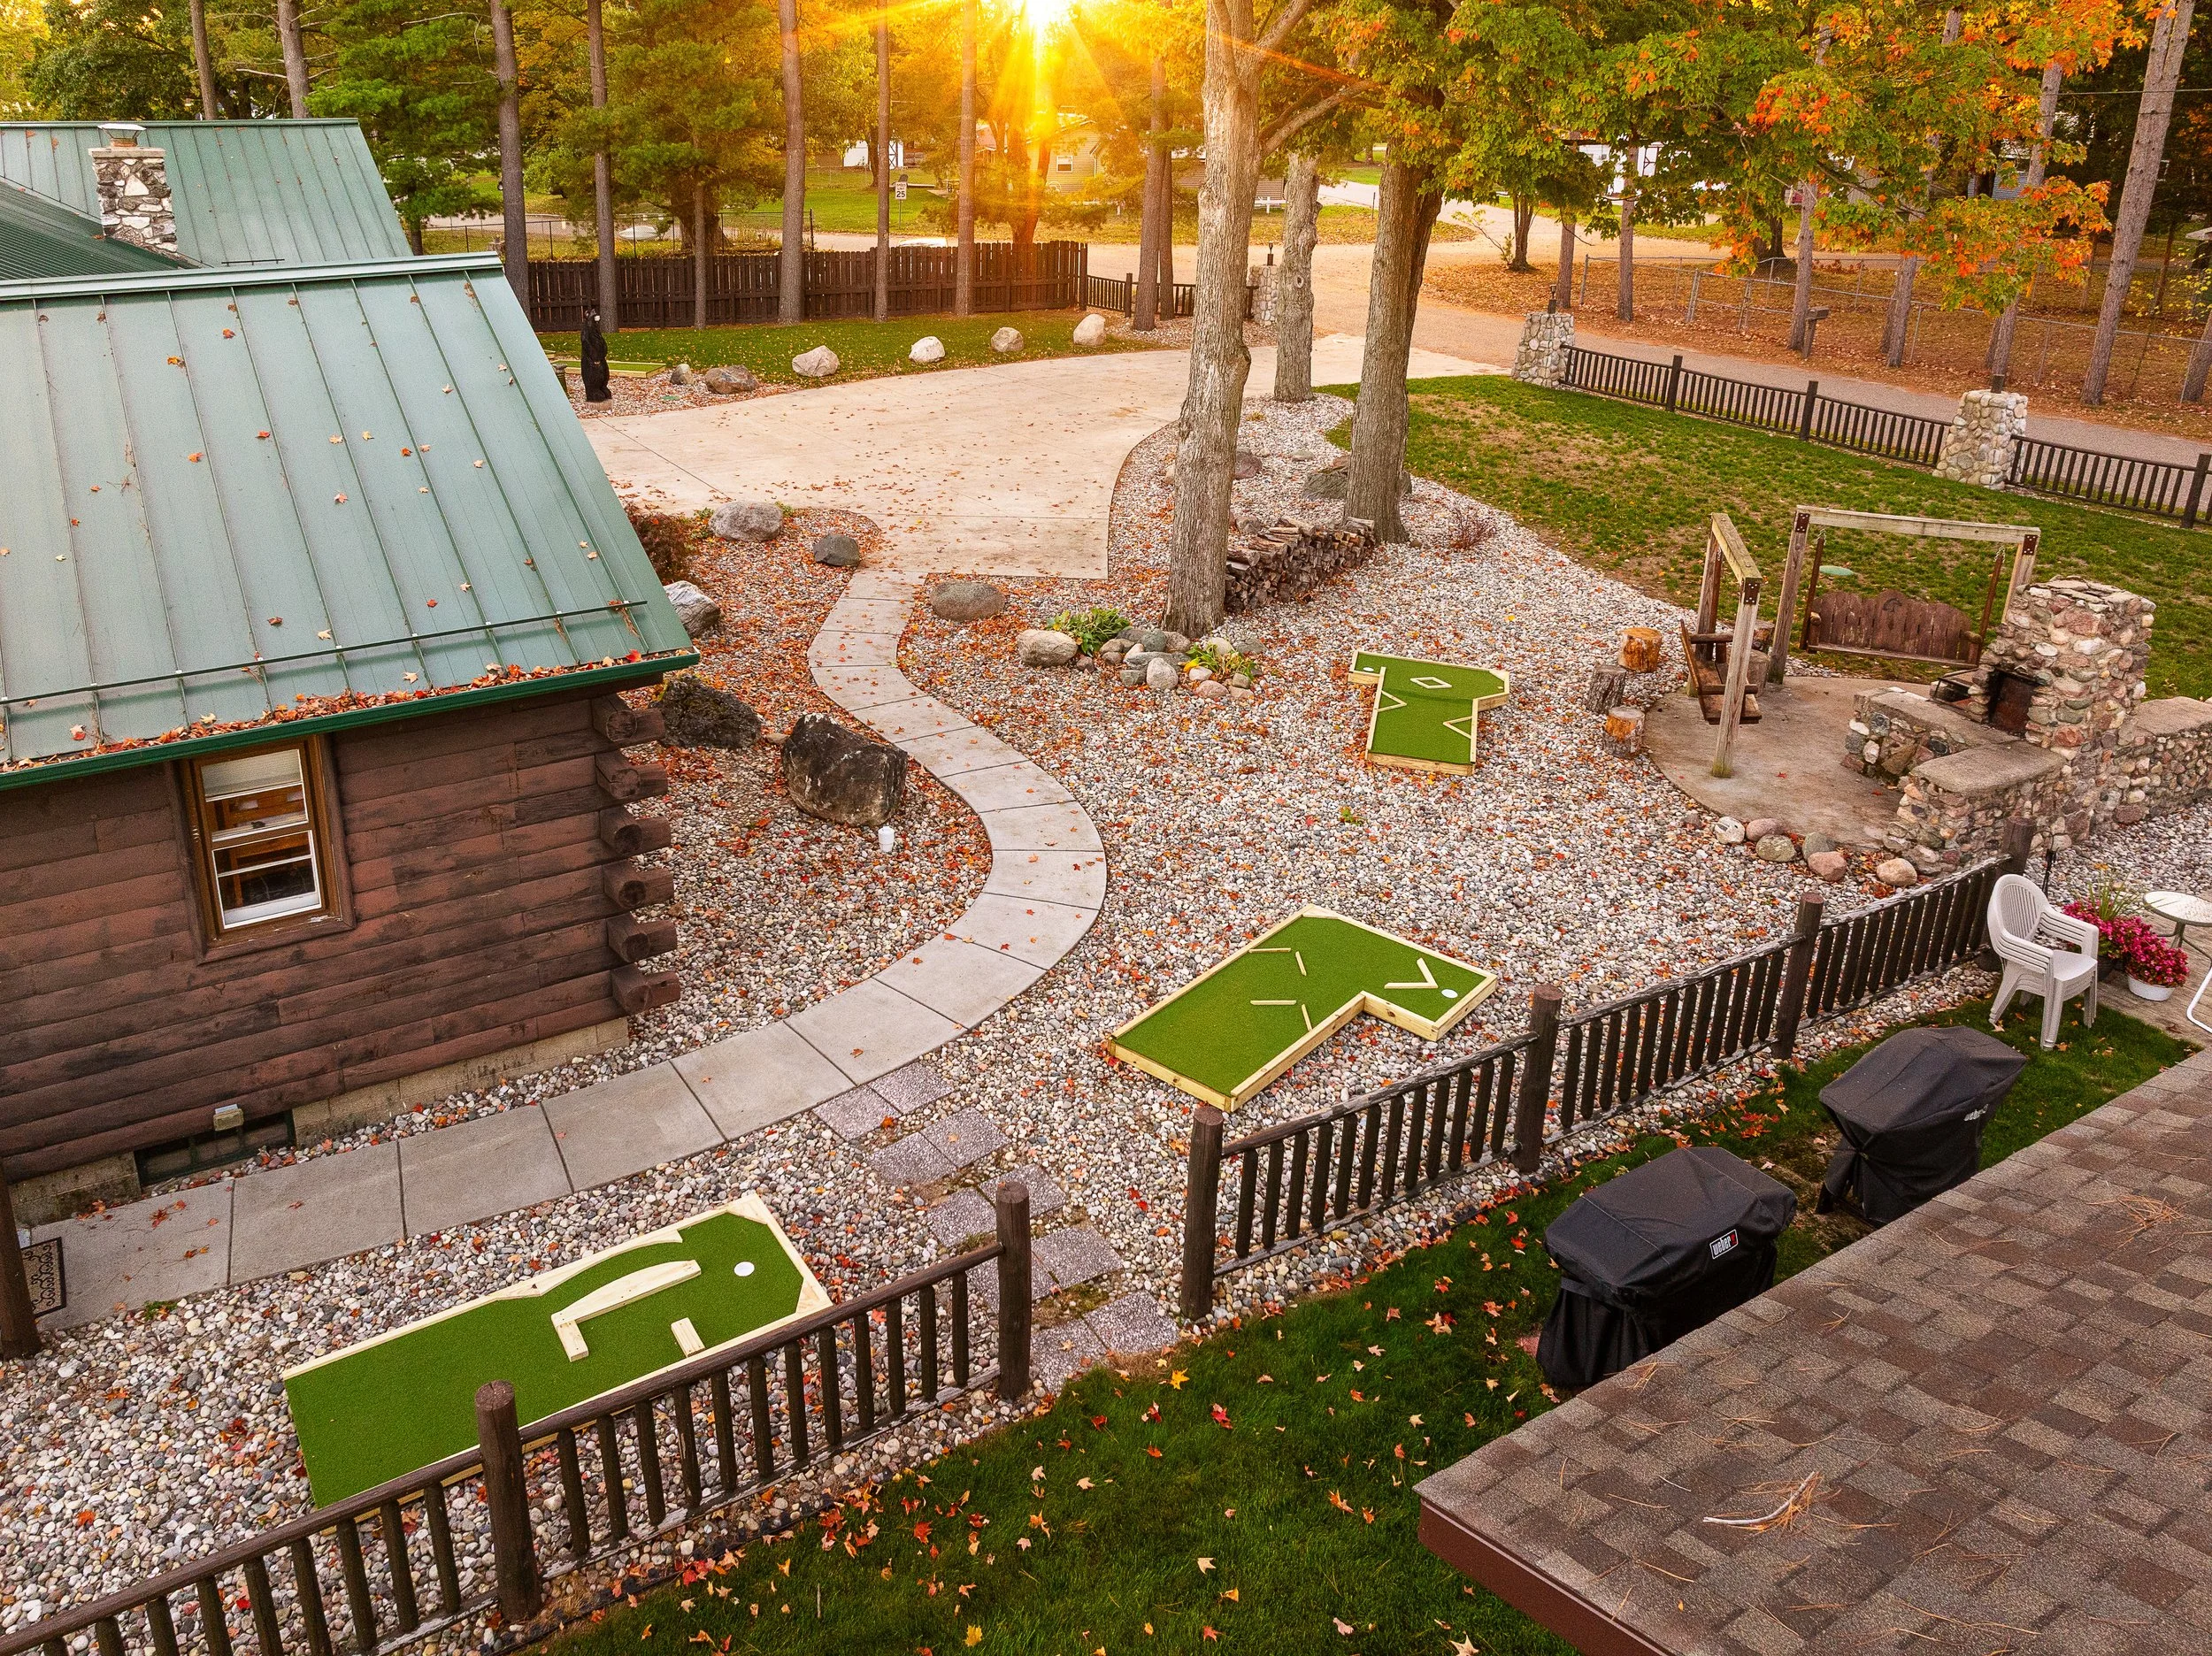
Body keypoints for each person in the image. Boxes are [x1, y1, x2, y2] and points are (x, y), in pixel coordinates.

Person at [580, 306, 612, 403]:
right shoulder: (586, 331)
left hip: (600, 358)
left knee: (604, 373)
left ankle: (602, 387)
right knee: (593, 374)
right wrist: (594, 356)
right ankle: (592, 391)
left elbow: (600, 341)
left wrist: (603, 351)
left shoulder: (595, 330)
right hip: (591, 360)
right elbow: (586, 343)